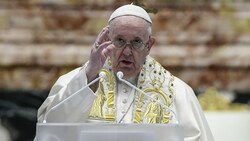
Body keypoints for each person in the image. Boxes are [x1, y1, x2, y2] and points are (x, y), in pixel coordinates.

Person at [37, 4, 214, 141]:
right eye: (120, 40)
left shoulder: (177, 92)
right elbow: (51, 131)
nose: (127, 52)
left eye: (136, 42)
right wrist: (90, 76)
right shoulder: (73, 82)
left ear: (149, 46)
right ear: (107, 40)